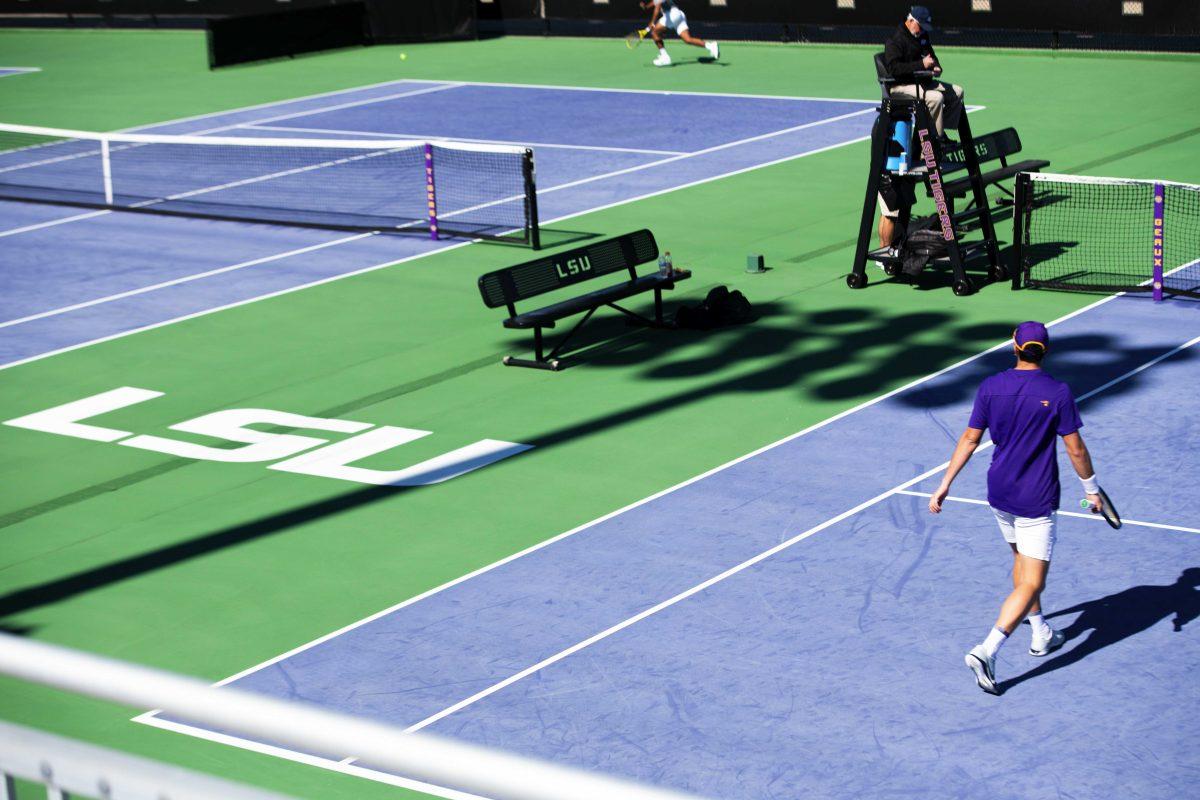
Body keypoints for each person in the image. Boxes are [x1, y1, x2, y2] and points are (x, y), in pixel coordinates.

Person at [927, 321, 1106, 695]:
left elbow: (970, 438)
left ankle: (1040, 632)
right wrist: (1092, 490)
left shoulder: (991, 387)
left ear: (1015, 346)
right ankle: (986, 650)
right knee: (1033, 579)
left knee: (1022, 561)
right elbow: (1075, 449)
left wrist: (945, 484)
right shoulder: (1057, 392)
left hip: (1000, 494)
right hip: (1036, 499)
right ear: (1047, 350)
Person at [883, 6, 964, 140]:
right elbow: (894, 69)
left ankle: (939, 133)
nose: (922, 31)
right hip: (900, 85)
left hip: (922, 82)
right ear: (911, 21)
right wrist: (921, 64)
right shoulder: (895, 39)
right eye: (921, 26)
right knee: (936, 98)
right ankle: (934, 142)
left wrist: (936, 67)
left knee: (957, 92)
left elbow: (930, 55)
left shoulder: (922, 35)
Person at [639, 0, 719, 67]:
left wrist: (652, 23)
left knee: (654, 33)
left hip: (671, 14)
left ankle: (665, 57)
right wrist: (646, 7)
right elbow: (655, 2)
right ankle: (711, 46)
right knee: (687, 39)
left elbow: (657, 8)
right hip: (679, 15)